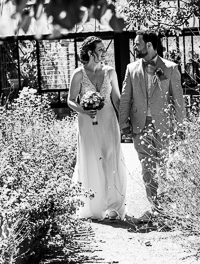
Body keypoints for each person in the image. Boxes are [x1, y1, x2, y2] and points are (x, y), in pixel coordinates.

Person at [119, 30, 185, 223]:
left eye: (137, 43)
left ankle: (168, 210)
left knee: (166, 168)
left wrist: (181, 127)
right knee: (147, 169)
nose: (134, 47)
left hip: (165, 127)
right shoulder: (131, 69)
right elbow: (125, 99)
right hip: (141, 126)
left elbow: (178, 100)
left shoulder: (170, 68)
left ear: (149, 45)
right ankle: (156, 208)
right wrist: (124, 124)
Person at [67, 36, 127, 221]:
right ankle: (93, 206)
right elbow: (70, 100)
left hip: (109, 121)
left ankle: (112, 206)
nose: (104, 52)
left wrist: (124, 122)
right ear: (91, 52)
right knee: (92, 160)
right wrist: (84, 111)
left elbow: (116, 99)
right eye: (100, 49)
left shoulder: (110, 72)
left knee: (110, 158)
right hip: (87, 124)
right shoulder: (78, 74)